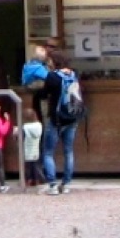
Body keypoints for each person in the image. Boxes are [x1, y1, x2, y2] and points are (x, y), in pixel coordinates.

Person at [19, 45, 56, 189]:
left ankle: (31, 176)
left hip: (35, 104)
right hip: (42, 103)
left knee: (33, 145)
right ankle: (41, 174)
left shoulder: (27, 66)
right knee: (43, 140)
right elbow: (51, 79)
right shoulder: (39, 68)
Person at [45, 64, 83, 193]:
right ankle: (66, 184)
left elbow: (44, 93)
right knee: (68, 151)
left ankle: (53, 185)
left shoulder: (52, 76)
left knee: (48, 152)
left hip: (56, 119)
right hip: (72, 118)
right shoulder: (74, 75)